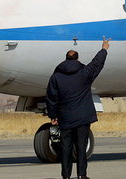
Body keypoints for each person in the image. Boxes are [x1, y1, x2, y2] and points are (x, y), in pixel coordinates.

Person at [46, 37, 111, 179]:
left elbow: (52, 98)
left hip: (66, 119)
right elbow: (97, 63)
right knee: (81, 147)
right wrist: (104, 49)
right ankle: (82, 175)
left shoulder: (56, 77)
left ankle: (66, 176)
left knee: (65, 148)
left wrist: (53, 116)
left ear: (65, 59)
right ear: (77, 59)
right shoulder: (84, 73)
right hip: (82, 119)